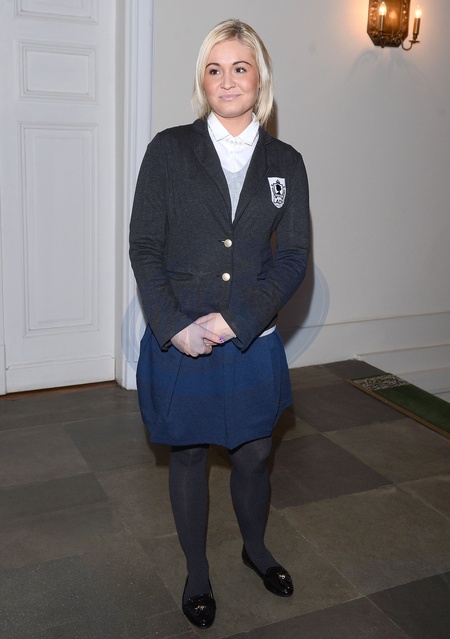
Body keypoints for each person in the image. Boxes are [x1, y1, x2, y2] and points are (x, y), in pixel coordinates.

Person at [129, 18, 310, 629]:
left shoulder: (286, 161)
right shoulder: (168, 150)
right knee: (187, 455)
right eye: (215, 69)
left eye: (240, 68)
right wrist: (172, 325)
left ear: (260, 79)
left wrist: (239, 320)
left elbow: (293, 256)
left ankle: (255, 548)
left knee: (255, 453)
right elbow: (144, 246)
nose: (227, 80)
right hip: (181, 339)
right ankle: (197, 573)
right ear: (202, 82)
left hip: (251, 337)